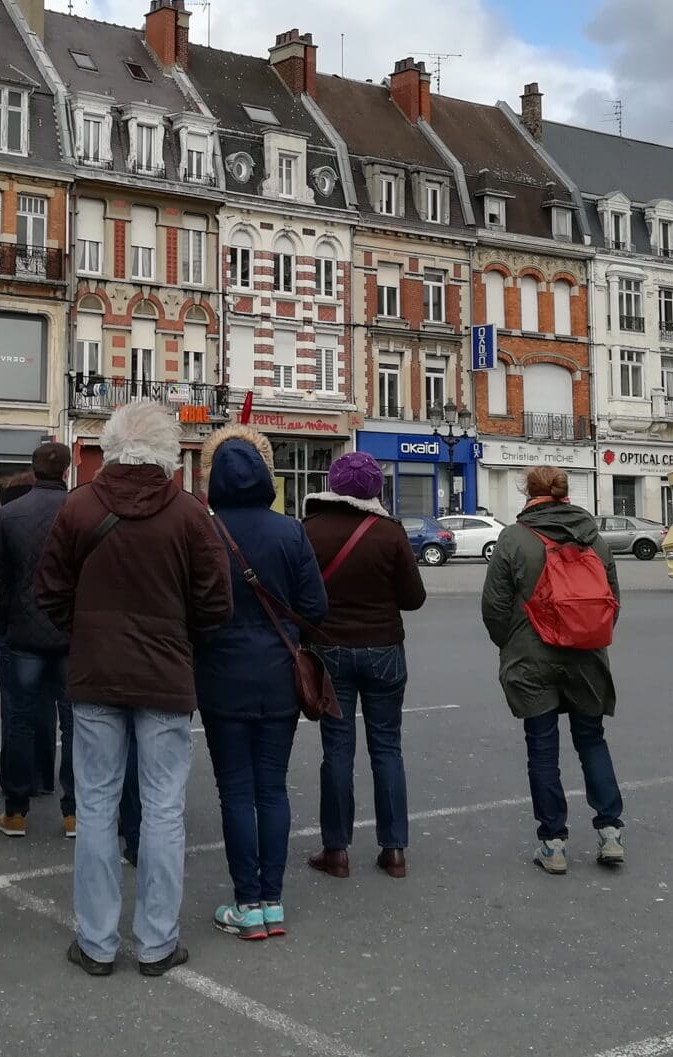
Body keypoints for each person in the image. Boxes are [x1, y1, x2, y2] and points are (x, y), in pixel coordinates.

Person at [36, 399, 230, 979]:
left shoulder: (78, 507)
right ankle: (156, 941)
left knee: (95, 805)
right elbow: (215, 603)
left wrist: (87, 631)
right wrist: (179, 638)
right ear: (170, 452)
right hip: (166, 678)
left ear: (111, 447)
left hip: (96, 674)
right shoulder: (191, 515)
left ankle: (96, 942)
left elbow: (48, 593)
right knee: (163, 808)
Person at [196, 426, 327, 941]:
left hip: (220, 673)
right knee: (272, 786)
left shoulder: (203, 531)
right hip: (279, 672)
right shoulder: (290, 531)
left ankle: (246, 900)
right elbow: (314, 607)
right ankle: (272, 900)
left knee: (235, 790)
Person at [481, 465, 624, 876]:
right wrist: (588, 634)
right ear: (565, 493)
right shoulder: (594, 539)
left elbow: (494, 608)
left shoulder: (513, 538)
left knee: (542, 748)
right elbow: (612, 600)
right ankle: (610, 831)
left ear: (528, 492)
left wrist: (511, 644)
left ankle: (554, 842)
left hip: (532, 656)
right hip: (587, 656)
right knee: (592, 741)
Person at [302, 451, 426, 881]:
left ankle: (336, 851)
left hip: (330, 649)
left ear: (334, 486)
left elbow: (301, 598)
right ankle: (394, 850)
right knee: (387, 748)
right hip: (384, 649)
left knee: (337, 750)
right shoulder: (390, 534)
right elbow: (414, 598)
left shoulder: (311, 531)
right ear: (375, 489)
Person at [0, 441, 75, 840]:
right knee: (75, 724)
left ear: (35, 472)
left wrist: (1, 622)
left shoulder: (9, 514)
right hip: (72, 633)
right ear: (67, 472)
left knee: (19, 719)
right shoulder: (81, 511)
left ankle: (16, 810)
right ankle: (73, 813)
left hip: (22, 633)